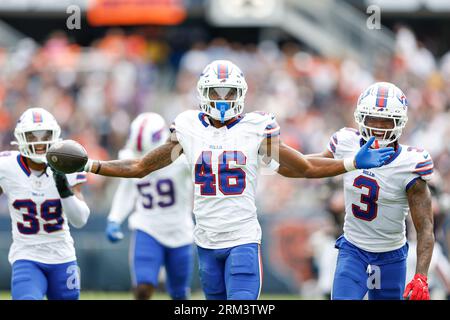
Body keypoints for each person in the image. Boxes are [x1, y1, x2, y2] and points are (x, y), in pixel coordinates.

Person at [53, 60, 395, 300]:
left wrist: (350, 162)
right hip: (206, 241)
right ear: (203, 93)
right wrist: (92, 164)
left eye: (229, 93)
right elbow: (140, 167)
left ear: (241, 95)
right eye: (215, 93)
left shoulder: (258, 128)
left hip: (242, 239)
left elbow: (302, 168)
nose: (221, 100)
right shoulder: (187, 127)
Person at [278, 82, 434, 300]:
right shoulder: (346, 143)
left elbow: (425, 228)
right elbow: (302, 167)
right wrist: (271, 152)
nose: (378, 127)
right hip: (354, 250)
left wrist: (421, 276)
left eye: (386, 121)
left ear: (400, 122)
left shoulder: (411, 163)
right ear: (361, 117)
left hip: (391, 256)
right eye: (372, 119)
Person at [0, 107, 90, 300]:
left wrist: (63, 188)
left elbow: (80, 220)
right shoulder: (6, 167)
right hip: (26, 255)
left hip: (63, 256)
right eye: (32, 136)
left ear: (55, 135)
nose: (40, 142)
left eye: (45, 135)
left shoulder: (69, 162)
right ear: (21, 138)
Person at [105, 112, 194, 300]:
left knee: (179, 293)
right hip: (147, 228)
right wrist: (115, 218)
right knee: (143, 287)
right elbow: (126, 190)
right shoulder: (130, 155)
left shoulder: (180, 158)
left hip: (180, 230)